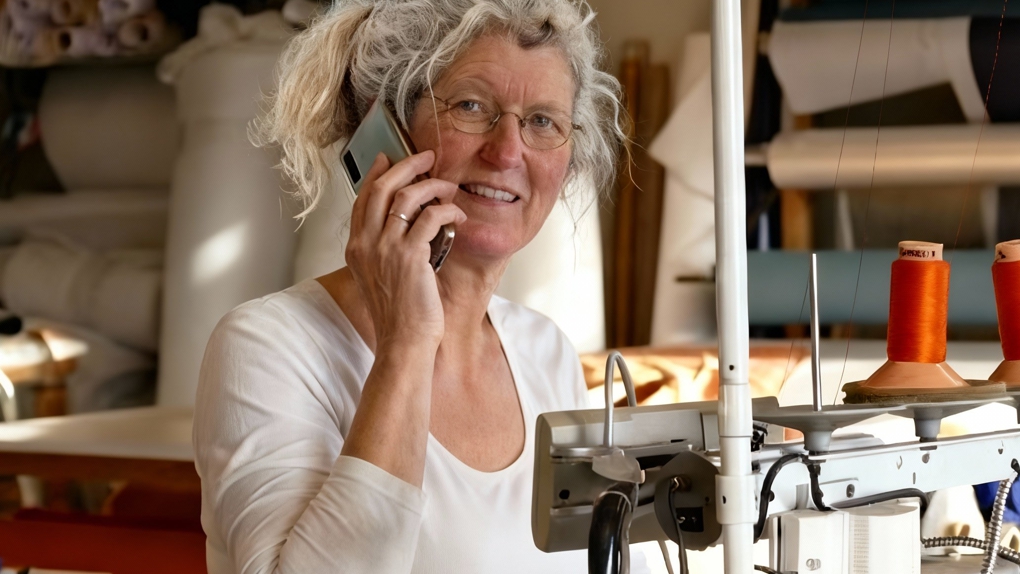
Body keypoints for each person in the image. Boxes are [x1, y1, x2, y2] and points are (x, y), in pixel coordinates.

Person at [193, 0, 628, 572]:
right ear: (388, 135)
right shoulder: (268, 347)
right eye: (472, 107)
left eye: (543, 121)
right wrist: (408, 342)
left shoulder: (546, 353)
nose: (506, 152)